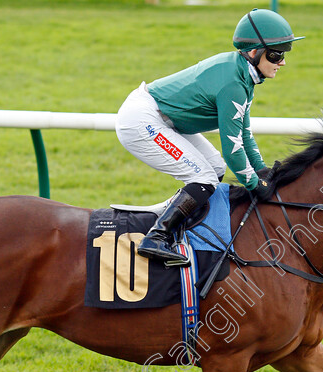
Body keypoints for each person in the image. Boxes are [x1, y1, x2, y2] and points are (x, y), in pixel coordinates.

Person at [115, 8, 303, 266]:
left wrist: (261, 171)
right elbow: (233, 149)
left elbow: (244, 134)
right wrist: (255, 186)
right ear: (253, 52)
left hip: (159, 117)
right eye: (276, 54)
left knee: (214, 168)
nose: (282, 62)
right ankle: (156, 237)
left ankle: (183, 226)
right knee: (203, 176)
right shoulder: (234, 84)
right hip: (142, 120)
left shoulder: (243, 75)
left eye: (283, 54)